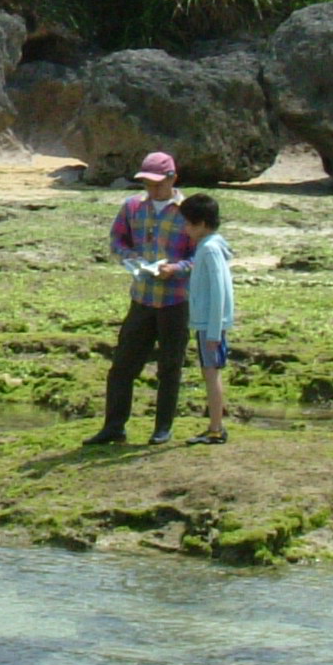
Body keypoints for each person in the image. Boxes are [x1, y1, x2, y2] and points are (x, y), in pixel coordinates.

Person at [85, 151, 195, 446]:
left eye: (157, 183)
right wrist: (130, 257)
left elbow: (201, 255)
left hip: (176, 300)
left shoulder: (189, 211)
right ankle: (114, 426)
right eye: (147, 183)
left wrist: (176, 268)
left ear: (173, 179)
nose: (152, 189)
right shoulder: (132, 207)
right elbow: (117, 240)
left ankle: (162, 428)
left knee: (170, 366)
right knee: (122, 365)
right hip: (142, 297)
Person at [179, 192, 235, 447]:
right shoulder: (209, 246)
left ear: (201, 224)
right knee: (210, 372)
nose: (185, 228)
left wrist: (213, 331)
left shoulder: (210, 249)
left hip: (210, 325)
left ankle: (216, 429)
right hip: (209, 324)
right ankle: (214, 426)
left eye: (188, 223)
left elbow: (219, 291)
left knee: (211, 374)